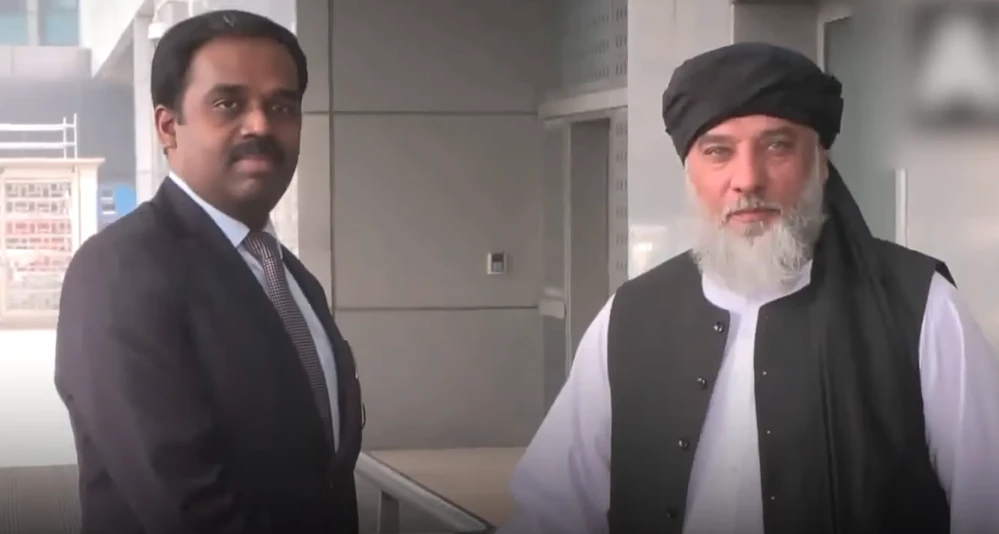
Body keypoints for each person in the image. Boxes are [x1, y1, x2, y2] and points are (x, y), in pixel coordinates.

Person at [498, 42, 999, 534]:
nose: (747, 179)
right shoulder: (631, 317)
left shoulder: (920, 307)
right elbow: (553, 510)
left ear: (820, 163)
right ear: (690, 171)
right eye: (718, 151)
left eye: (777, 146)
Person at [54, 10, 363, 534]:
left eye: (282, 105)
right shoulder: (119, 272)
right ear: (168, 127)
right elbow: (186, 505)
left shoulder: (290, 277)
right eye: (228, 103)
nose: (262, 125)